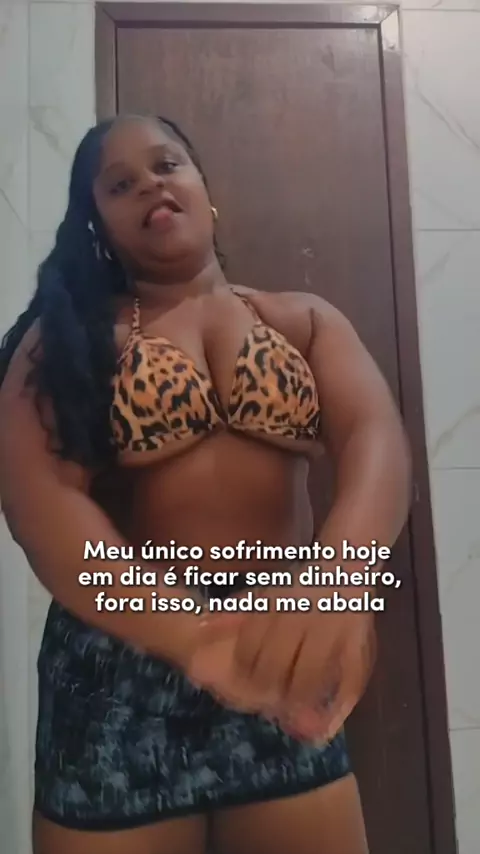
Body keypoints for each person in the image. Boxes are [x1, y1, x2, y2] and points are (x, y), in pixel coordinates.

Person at [0, 114, 411, 854]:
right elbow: (39, 502)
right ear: (98, 226)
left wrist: (338, 581)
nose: (150, 185)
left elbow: (374, 437)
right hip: (122, 668)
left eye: (167, 165)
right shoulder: (68, 339)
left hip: (278, 652)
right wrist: (190, 637)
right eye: (120, 184)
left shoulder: (303, 320)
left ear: (204, 190)